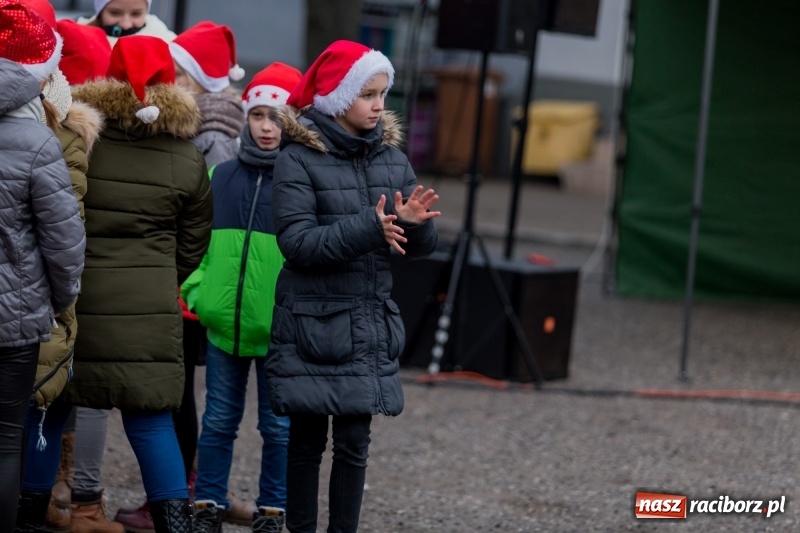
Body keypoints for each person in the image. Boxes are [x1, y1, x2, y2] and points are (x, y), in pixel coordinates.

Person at [18, 34, 213, 533]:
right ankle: (174, 522)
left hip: (77, 303)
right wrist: (161, 279)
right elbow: (195, 242)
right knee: (150, 422)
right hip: (148, 310)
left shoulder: (81, 138)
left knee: (53, 408)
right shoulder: (188, 157)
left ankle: (30, 518)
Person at [264, 40, 440, 533]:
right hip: (312, 325)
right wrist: (372, 227)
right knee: (304, 444)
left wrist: (418, 224)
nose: (379, 105)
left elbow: (419, 245)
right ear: (339, 97)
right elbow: (297, 243)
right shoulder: (297, 159)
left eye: (384, 93)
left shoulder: (392, 158)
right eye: (367, 94)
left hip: (365, 325)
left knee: (355, 444)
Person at [181, 61, 303, 533]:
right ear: (246, 116)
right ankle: (207, 501)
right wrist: (199, 290)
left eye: (277, 117)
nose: (267, 127)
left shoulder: (299, 180)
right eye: (258, 116)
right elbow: (197, 243)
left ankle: (272, 508)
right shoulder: (222, 176)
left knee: (277, 427)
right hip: (223, 325)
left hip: (279, 330)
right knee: (217, 422)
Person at [0, 2, 86, 531]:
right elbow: (64, 241)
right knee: (7, 436)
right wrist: (59, 300)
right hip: (16, 319)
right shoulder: (38, 142)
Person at [78, 0, 175, 46]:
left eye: (136, 14)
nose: (126, 25)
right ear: (100, 12)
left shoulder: (165, 40)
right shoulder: (78, 40)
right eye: (115, 13)